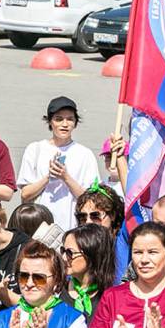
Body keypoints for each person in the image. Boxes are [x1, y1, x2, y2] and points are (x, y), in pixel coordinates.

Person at [17, 96, 100, 231]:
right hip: (39, 227)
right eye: (59, 119)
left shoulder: (85, 154)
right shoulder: (35, 149)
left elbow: (90, 200)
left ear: (75, 123)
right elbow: (25, 194)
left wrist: (65, 177)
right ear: (50, 122)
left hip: (72, 228)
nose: (65, 124)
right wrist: (48, 177)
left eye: (70, 119)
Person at [76, 185, 129, 273]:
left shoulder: (123, 238)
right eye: (83, 217)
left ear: (112, 215)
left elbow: (133, 201)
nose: (88, 222)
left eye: (95, 216)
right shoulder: (77, 249)